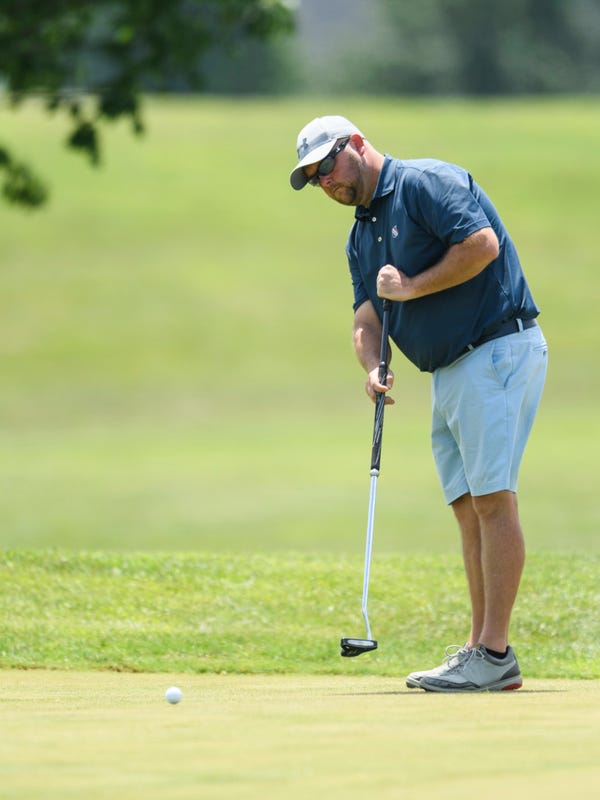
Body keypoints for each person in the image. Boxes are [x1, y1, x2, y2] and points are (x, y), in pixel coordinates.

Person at [289, 115, 548, 692]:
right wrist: (373, 364)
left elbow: (480, 245)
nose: (326, 183)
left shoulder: (425, 183)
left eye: (328, 166)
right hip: (450, 370)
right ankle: (482, 648)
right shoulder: (360, 235)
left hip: (496, 348)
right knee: (466, 506)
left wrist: (410, 287)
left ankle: (495, 650)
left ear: (355, 144)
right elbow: (366, 317)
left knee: (493, 501)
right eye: (314, 179)